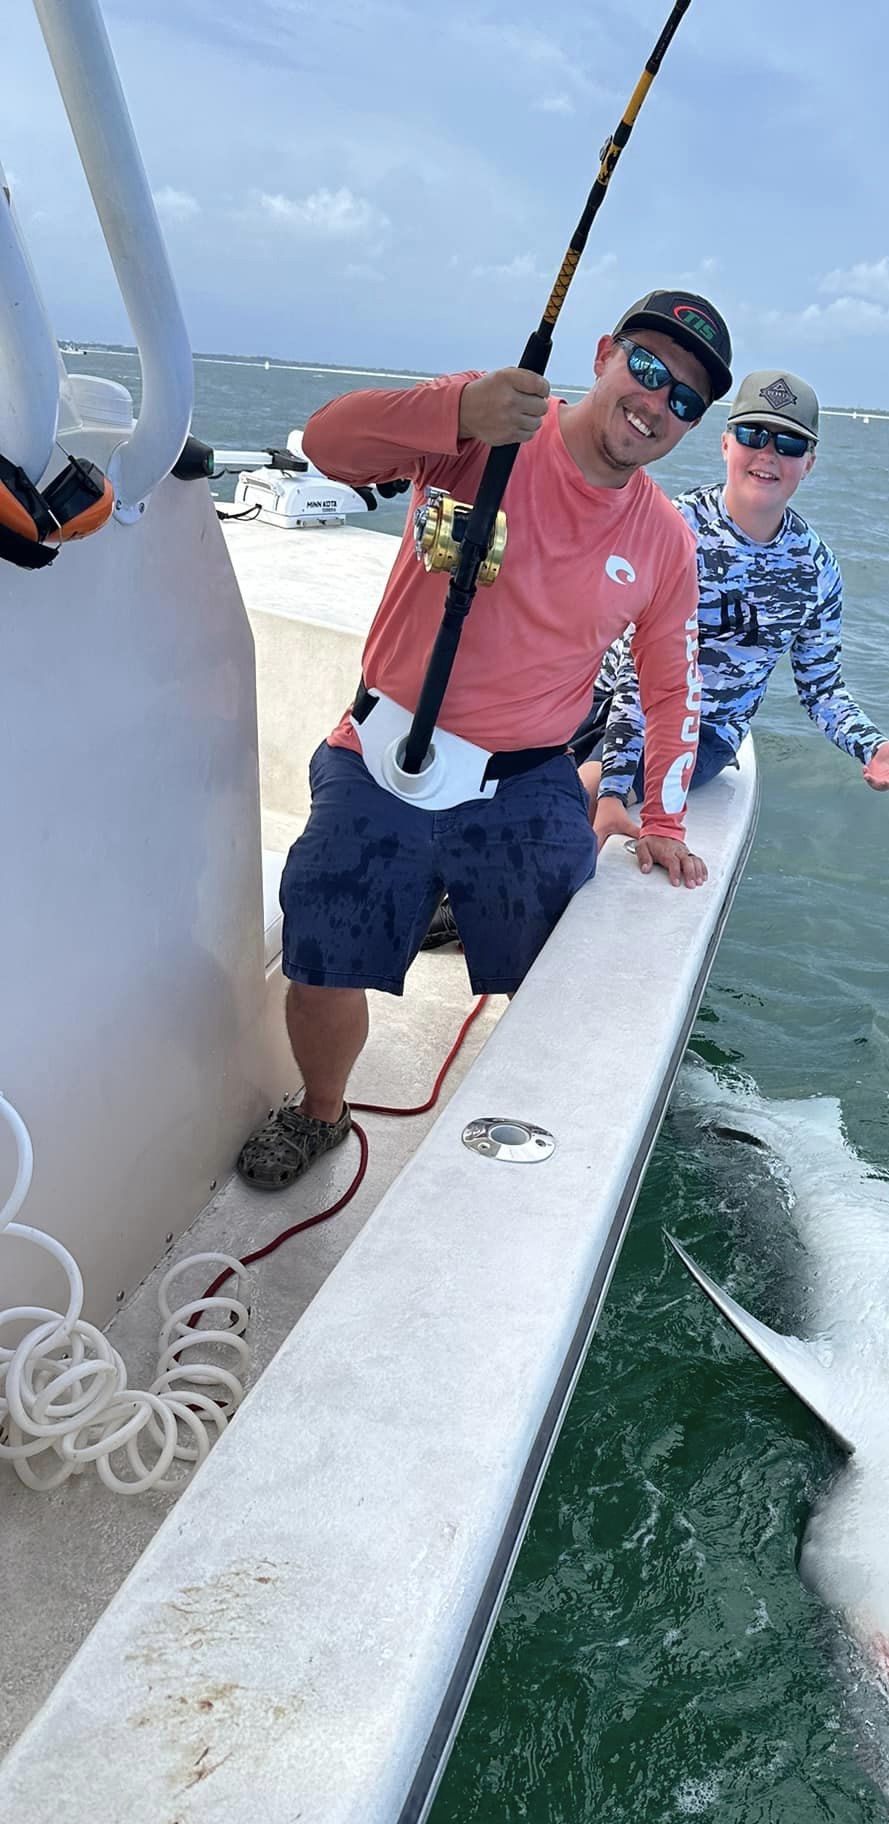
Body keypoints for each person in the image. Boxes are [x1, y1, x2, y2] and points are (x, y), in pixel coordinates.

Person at [236, 289, 733, 1190]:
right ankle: (321, 1109)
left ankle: (535, 1119)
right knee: (319, 952)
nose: (656, 402)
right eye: (648, 369)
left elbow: (671, 686)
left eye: (685, 399)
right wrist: (454, 409)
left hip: (527, 779)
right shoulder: (488, 421)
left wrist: (663, 817)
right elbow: (327, 444)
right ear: (602, 355)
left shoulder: (665, 539)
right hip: (384, 752)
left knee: (563, 965)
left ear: (693, 424)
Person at [578, 368, 889, 851]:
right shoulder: (671, 527)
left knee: (578, 791)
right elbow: (636, 663)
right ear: (725, 444)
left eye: (790, 444)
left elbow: (821, 688)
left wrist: (871, 746)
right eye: (753, 434)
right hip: (606, 693)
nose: (768, 454)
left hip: (703, 732)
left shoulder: (816, 569)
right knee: (517, 769)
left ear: (810, 463)